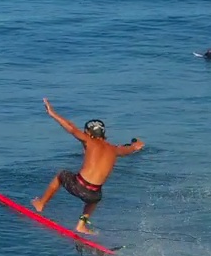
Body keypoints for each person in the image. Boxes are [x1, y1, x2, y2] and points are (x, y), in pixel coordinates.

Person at [31, 98, 144, 235]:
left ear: (89, 134)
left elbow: (71, 128)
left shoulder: (89, 141)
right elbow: (131, 149)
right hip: (94, 195)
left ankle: (41, 204)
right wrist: (136, 145)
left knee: (61, 174)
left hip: (78, 186)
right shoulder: (115, 150)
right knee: (94, 198)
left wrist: (52, 113)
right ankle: (81, 225)